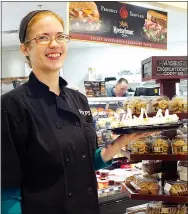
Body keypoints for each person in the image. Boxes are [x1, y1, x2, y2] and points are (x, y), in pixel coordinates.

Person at [2, 10, 157, 214]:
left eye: (60, 36)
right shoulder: (11, 106)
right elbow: (7, 190)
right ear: (25, 49)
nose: (54, 44)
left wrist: (121, 143)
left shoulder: (78, 99)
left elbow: (86, 162)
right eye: (43, 38)